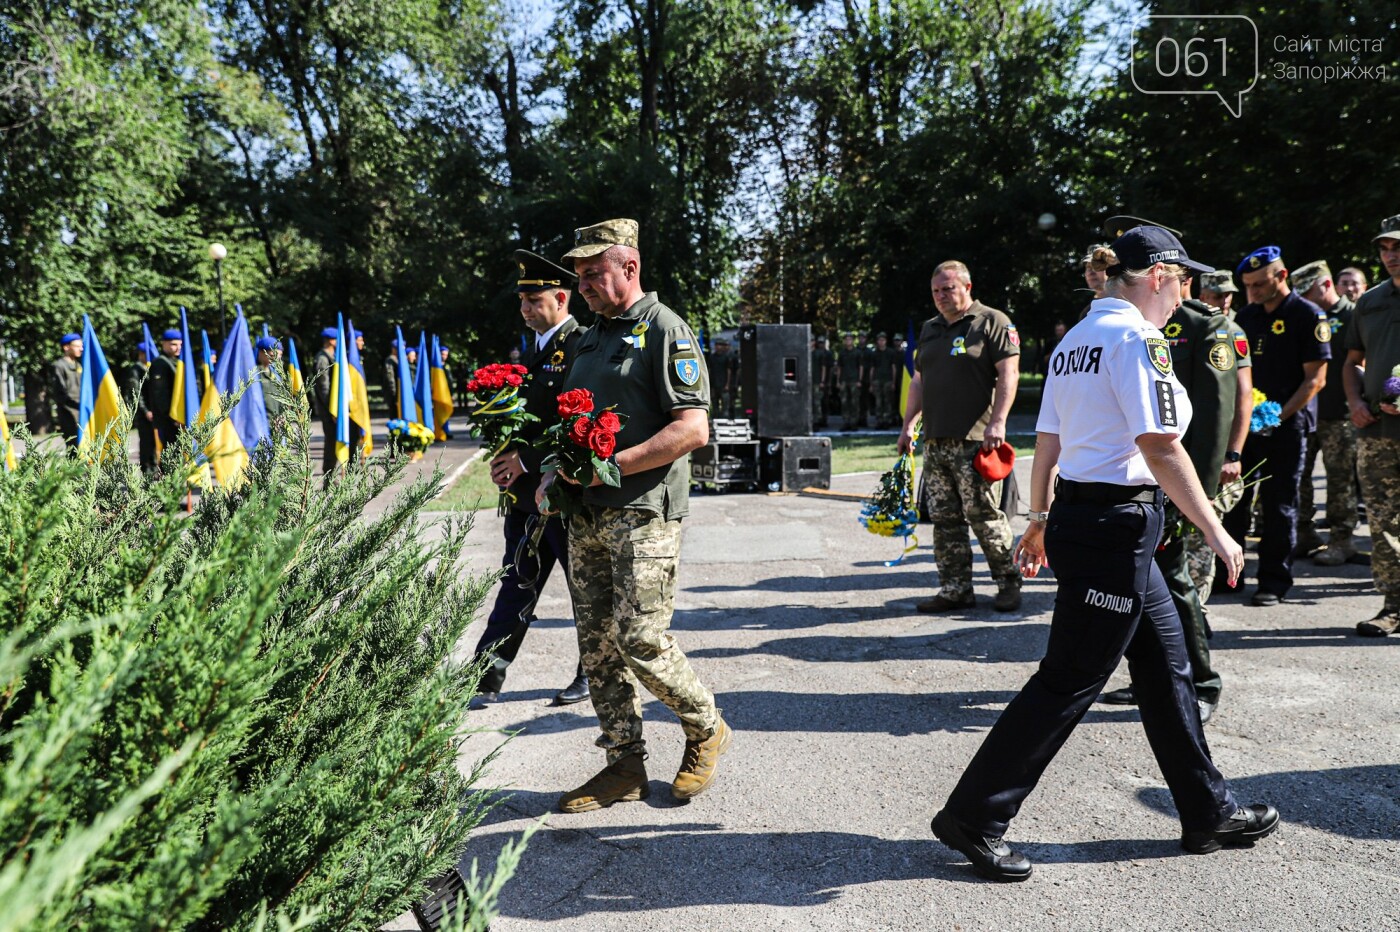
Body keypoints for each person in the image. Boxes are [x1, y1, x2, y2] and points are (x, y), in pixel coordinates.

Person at [930, 226, 1278, 882]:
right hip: (1113, 529)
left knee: (1168, 667)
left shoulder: (1076, 340)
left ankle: (1208, 809)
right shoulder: (1134, 339)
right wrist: (1215, 528)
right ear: (1155, 276)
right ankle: (975, 816)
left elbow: (1050, 436)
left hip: (1099, 522)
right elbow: (1160, 445)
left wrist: (1038, 518)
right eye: (1182, 282)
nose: (1186, 296)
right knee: (1067, 681)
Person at [537, 218, 729, 812]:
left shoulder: (664, 329)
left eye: (596, 274)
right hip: (587, 513)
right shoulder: (589, 339)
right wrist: (549, 469)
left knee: (641, 637)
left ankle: (704, 727)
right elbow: (570, 425)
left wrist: (612, 465)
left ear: (630, 268)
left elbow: (693, 428)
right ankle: (623, 764)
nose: (586, 285)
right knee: (596, 645)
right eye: (581, 276)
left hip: (643, 510)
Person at [1100, 258, 1246, 723]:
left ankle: (1201, 684)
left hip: (1176, 484)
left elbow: (1214, 417)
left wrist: (1192, 498)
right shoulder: (1127, 328)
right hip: (1137, 483)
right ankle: (1150, 680)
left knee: (1176, 584)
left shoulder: (1206, 327)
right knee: (1142, 584)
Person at [471, 249, 589, 707]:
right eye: (522, 300)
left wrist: (527, 459)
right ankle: (485, 675)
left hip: (562, 494)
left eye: (533, 300)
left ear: (561, 299)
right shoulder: (534, 351)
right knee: (515, 582)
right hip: (525, 498)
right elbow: (524, 420)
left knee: (585, 592)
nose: (524, 308)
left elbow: (578, 424)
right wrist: (503, 456)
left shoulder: (581, 344)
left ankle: (591, 674)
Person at [898, 260, 1021, 613]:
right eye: (936, 291)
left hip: (977, 440)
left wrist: (998, 422)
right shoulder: (930, 328)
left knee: (984, 515)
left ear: (967, 287)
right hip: (936, 441)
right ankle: (955, 589)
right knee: (944, 519)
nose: (941, 296)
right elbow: (919, 381)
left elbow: (1009, 373)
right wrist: (909, 424)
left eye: (948, 289)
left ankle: (1008, 583)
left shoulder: (992, 322)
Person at [1220, 246, 1330, 606]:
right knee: (1234, 501)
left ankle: (1274, 580)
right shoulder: (1247, 318)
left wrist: (1274, 417)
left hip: (1286, 427)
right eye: (1247, 285)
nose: (1251, 292)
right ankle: (1228, 575)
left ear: (1282, 277)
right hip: (1245, 427)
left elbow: (1315, 380)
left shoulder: (1307, 315)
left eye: (1257, 284)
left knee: (1279, 505)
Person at [1343, 213, 1400, 635]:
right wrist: (1354, 401)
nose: (1391, 255)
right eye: (1385, 248)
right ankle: (1394, 606)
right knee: (1384, 523)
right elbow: (1351, 362)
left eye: (1398, 247)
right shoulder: (1371, 301)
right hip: (1378, 432)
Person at [1290, 261, 1359, 565]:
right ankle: (1305, 534)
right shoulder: (1306, 316)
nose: (1303, 297)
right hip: (1310, 412)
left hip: (1340, 414)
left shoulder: (1352, 314)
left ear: (1327, 285)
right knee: (1300, 475)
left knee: (1339, 479)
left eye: (1309, 291)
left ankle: (1342, 540)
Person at [143, 329, 182, 460]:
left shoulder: (176, 362)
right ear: (164, 344)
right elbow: (160, 395)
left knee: (178, 455)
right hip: (168, 420)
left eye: (180, 344)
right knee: (170, 455)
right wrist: (173, 417)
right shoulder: (160, 363)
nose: (178, 348)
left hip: (177, 418)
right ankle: (168, 480)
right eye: (173, 344)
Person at [122, 340, 157, 472]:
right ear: (141, 354)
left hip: (153, 411)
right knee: (146, 441)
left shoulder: (149, 368)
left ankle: (154, 466)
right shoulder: (136, 370)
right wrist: (145, 411)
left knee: (153, 441)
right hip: (143, 413)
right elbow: (136, 393)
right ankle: (146, 468)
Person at [312, 327, 338, 473]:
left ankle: (333, 473)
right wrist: (332, 409)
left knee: (335, 442)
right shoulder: (322, 358)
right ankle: (329, 476)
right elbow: (324, 387)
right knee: (331, 442)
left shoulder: (332, 356)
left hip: (333, 408)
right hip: (328, 409)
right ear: (330, 340)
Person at [50, 333, 83, 447]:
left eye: (81, 346)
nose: (81, 349)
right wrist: (76, 405)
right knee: (73, 447)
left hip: (81, 410)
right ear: (66, 347)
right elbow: (60, 393)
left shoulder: (78, 365)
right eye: (77, 346)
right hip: (68, 412)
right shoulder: (59, 366)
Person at [254, 336, 286, 431]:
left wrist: (283, 415)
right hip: (261, 424)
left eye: (279, 356)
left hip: (277, 423)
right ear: (261, 353)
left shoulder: (276, 373)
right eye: (272, 356)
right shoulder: (253, 373)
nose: (276, 359)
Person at [869, 332, 899, 428]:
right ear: (877, 342)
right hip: (877, 380)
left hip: (888, 380)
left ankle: (887, 420)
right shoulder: (874, 353)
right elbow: (872, 369)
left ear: (885, 341)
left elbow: (894, 368)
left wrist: (893, 382)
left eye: (883, 340)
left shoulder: (891, 353)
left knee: (887, 401)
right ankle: (879, 421)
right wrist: (871, 383)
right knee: (878, 402)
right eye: (879, 340)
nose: (881, 342)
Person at [705, 337, 737, 419]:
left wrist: (727, 384)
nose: (718, 347)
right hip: (714, 384)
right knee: (715, 405)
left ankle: (725, 419)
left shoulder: (726, 357)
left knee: (725, 404)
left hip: (723, 384)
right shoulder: (712, 357)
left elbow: (729, 371)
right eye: (716, 345)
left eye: (719, 345)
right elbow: (709, 370)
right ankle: (715, 419)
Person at [837, 332, 863, 430]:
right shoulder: (842, 353)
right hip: (844, 379)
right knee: (844, 402)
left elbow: (860, 367)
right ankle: (846, 421)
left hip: (854, 380)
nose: (848, 341)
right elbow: (839, 367)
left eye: (850, 339)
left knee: (854, 402)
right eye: (846, 339)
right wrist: (838, 381)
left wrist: (859, 380)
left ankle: (854, 422)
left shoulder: (857, 353)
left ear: (853, 341)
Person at [810, 335, 833, 428]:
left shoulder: (820, 353)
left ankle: (817, 421)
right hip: (807, 381)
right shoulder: (804, 353)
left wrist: (822, 381)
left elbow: (824, 368)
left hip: (817, 381)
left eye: (811, 340)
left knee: (817, 402)